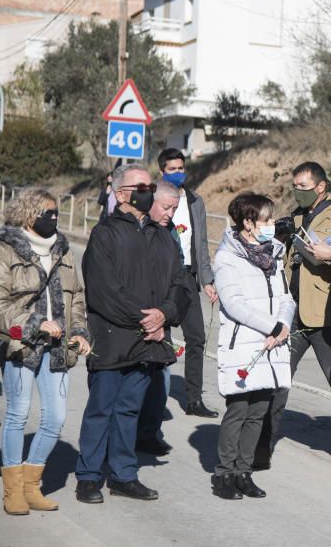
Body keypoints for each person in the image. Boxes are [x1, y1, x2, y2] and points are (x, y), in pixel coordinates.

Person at [74, 164, 190, 504]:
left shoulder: (163, 237)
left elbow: (180, 284)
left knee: (129, 411)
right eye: (140, 186)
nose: (147, 191)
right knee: (101, 410)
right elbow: (103, 290)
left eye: (150, 186)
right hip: (112, 338)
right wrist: (147, 320)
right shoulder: (105, 234)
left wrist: (165, 315)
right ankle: (89, 476)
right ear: (121, 193)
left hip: (148, 344)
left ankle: (123, 474)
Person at [0, 188, 92, 515]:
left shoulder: (63, 251)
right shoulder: (3, 251)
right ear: (30, 214)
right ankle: (13, 490)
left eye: (56, 213)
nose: (54, 219)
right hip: (21, 345)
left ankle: (32, 484)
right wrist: (35, 322)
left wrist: (80, 331)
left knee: (55, 418)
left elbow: (78, 298)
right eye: (48, 213)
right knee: (18, 413)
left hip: (58, 349)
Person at [260, 162, 331, 470]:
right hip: (293, 311)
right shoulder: (298, 216)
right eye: (295, 186)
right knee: (277, 379)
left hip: (326, 314)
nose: (297, 192)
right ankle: (261, 448)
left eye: (302, 187)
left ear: (320, 186)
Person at [212, 193, 294, 500]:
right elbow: (234, 304)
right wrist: (271, 327)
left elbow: (286, 297)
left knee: (260, 409)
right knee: (238, 409)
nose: (272, 225)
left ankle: (244, 472)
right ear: (248, 222)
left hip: (272, 342)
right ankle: (224, 474)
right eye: (266, 219)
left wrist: (283, 326)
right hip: (244, 342)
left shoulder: (274, 254)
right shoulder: (227, 257)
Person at [158, 148, 219, 419]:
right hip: (160, 275)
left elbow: (201, 244)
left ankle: (194, 400)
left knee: (197, 337)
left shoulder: (195, 201)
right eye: (172, 169)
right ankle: (156, 399)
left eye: (180, 167)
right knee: (163, 339)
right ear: (162, 172)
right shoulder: (155, 200)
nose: (178, 172)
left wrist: (207, 280)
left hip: (187, 276)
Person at [136, 180, 183, 456]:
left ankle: (149, 432)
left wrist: (165, 314)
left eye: (174, 209)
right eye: (166, 207)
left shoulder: (170, 234)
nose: (170, 214)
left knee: (160, 378)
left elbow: (179, 280)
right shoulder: (133, 230)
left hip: (161, 318)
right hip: (136, 318)